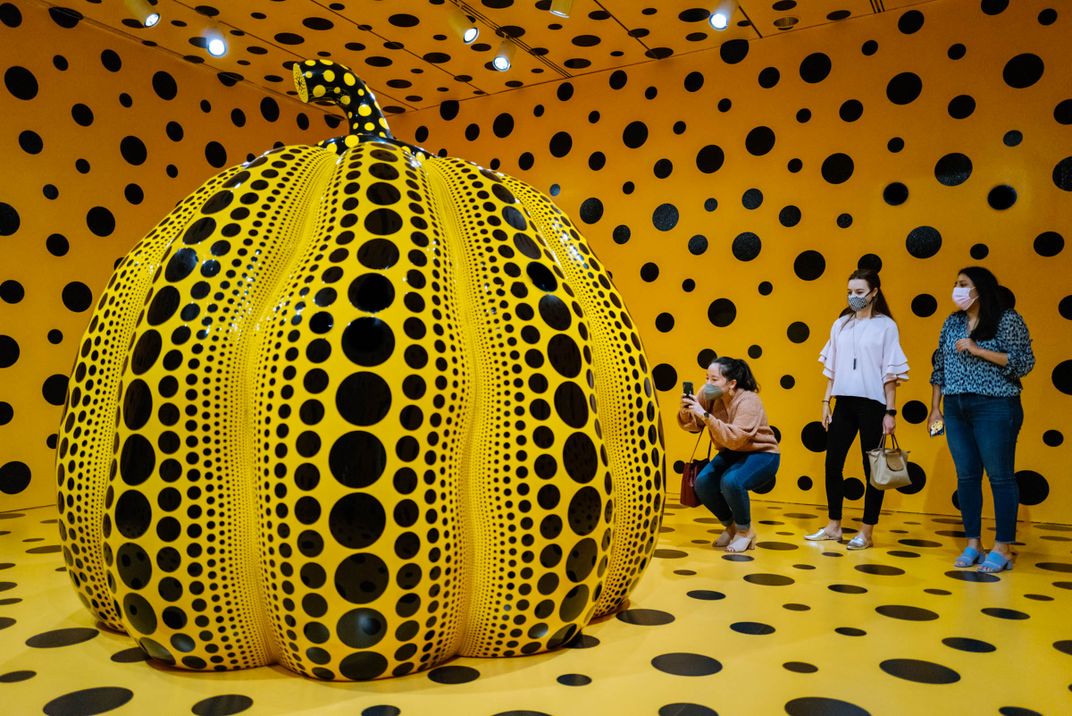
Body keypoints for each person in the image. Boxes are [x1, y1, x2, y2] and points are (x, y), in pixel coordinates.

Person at [929, 266, 1034, 573]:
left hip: (995, 405)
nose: (957, 290)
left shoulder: (1006, 320)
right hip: (956, 406)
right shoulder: (952, 322)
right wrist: (935, 408)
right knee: (966, 477)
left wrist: (977, 350)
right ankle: (973, 542)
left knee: (1000, 476)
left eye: (963, 284)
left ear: (980, 288)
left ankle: (1003, 546)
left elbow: (1023, 362)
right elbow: (939, 366)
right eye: (956, 283)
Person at [805, 269, 909, 550]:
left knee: (872, 468)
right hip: (843, 403)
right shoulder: (841, 324)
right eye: (850, 292)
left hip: (873, 405)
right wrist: (826, 402)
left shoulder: (886, 326)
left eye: (860, 292)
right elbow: (833, 367)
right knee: (832, 463)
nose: (854, 297)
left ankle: (867, 531)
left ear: (874, 292)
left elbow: (890, 373)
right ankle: (833, 526)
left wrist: (891, 412)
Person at [678, 356, 780, 552]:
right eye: (707, 377)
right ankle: (732, 528)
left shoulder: (749, 401)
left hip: (762, 453)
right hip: (732, 452)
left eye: (714, 379)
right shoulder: (708, 395)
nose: (708, 384)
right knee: (703, 482)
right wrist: (686, 411)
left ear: (732, 383)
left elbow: (736, 438)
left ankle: (745, 531)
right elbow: (694, 425)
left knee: (731, 481)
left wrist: (704, 415)